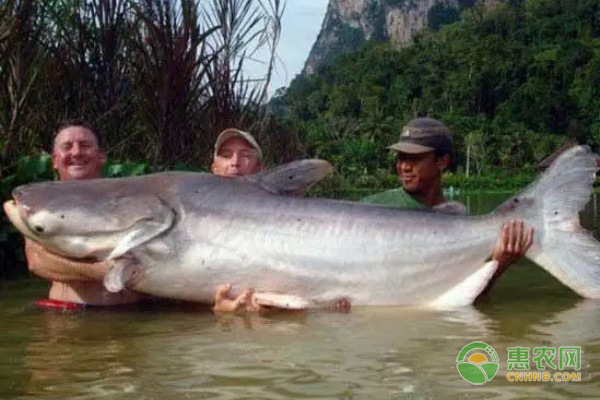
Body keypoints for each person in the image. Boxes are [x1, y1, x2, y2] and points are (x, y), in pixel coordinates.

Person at [361, 117, 534, 298]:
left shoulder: (460, 221)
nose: (404, 166)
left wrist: (499, 264)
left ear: (442, 161)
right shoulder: (372, 208)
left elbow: (467, 299)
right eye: (401, 158)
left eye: (415, 158)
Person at [25, 119, 148, 309]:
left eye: (85, 145)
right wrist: (114, 272)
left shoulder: (129, 198)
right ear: (55, 160)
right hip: (66, 318)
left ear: (101, 156)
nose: (76, 152)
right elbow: (38, 260)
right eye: (67, 146)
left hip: (134, 316)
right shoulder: (39, 203)